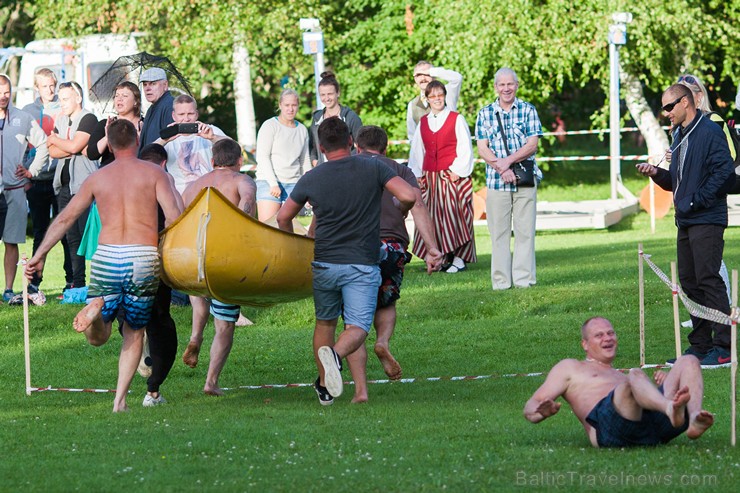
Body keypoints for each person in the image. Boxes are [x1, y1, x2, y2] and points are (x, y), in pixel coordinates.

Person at [24, 119, 182, 412]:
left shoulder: (98, 178)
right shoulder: (153, 173)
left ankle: (97, 315)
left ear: (108, 143)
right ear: (136, 140)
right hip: (142, 257)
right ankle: (119, 401)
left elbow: (66, 218)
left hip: (107, 256)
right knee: (135, 331)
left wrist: (40, 254)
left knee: (99, 338)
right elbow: (174, 217)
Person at [276, 117, 416, 405]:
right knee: (357, 328)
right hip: (361, 264)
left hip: (324, 263)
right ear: (350, 141)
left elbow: (282, 217)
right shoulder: (372, 166)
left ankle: (326, 388)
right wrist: (401, 208)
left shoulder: (312, 177)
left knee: (324, 325)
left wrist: (291, 246)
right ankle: (335, 358)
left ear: (321, 147)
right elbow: (408, 195)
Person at [636, 84, 735, 367]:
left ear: (686, 103)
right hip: (687, 220)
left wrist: (695, 201)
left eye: (669, 107)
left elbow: (725, 174)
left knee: (708, 278)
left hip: (707, 218)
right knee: (689, 281)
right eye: (663, 108)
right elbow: (677, 183)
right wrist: (656, 173)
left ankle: (725, 347)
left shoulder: (710, 131)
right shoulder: (678, 135)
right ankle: (701, 345)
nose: (665, 113)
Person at [347, 125, 443, 403]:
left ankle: (360, 389)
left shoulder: (350, 167)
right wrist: (433, 250)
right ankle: (382, 342)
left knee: (354, 317)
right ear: (386, 148)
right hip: (392, 244)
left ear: (357, 147)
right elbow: (418, 205)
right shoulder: (400, 170)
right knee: (387, 301)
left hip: (356, 245)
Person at [524, 317, 714, 447]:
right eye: (599, 335)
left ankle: (695, 417)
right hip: (609, 431)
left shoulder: (620, 376)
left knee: (689, 361)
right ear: (585, 344)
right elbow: (532, 405)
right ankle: (671, 408)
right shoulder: (570, 367)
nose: (607, 338)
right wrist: (540, 413)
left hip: (649, 427)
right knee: (635, 375)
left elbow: (639, 399)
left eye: (611, 333)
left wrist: (664, 385)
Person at [181, 138, 257, 396]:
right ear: (239, 161)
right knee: (225, 323)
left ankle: (195, 336)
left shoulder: (193, 186)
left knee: (199, 295)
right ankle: (211, 382)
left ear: (212, 161)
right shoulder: (241, 180)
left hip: (192, 260)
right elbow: (246, 205)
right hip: (224, 258)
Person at [476, 67, 543, 290]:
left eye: (510, 84)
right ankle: (501, 282)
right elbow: (482, 149)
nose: (506, 88)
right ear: (496, 87)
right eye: (502, 84)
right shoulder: (485, 113)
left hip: (525, 179)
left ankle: (524, 281)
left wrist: (508, 161)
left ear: (516, 85)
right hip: (496, 182)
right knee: (499, 234)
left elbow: (532, 145)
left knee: (525, 232)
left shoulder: (528, 110)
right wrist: (502, 167)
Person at [408, 80, 475, 273]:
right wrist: (418, 174)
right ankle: (441, 258)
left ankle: (459, 259)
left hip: (452, 175)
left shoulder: (456, 118)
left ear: (445, 96)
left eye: (440, 95)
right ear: (427, 99)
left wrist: (458, 170)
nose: (437, 99)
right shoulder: (424, 122)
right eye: (433, 96)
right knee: (434, 218)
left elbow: (465, 147)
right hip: (430, 177)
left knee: (456, 216)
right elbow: (418, 151)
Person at [18, 68, 71, 300]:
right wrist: (25, 176)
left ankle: (72, 281)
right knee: (40, 232)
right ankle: (34, 283)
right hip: (36, 180)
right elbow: (20, 145)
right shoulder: (28, 111)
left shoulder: (64, 106)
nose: (49, 90)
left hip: (59, 179)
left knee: (67, 232)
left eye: (52, 85)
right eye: (44, 86)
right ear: (36, 87)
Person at [138, 143, 184, 407]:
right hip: (151, 255)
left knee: (131, 320)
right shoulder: (164, 179)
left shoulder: (123, 179)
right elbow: (175, 217)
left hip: (118, 256)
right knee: (160, 324)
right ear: (164, 163)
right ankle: (153, 390)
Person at [45, 81, 99, 291]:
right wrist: (65, 143)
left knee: (89, 234)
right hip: (64, 187)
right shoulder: (61, 119)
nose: (62, 103)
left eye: (66, 98)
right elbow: (53, 151)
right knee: (71, 237)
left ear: (78, 98)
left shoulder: (88, 118)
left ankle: (97, 284)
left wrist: (59, 141)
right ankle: (78, 284)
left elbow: (75, 145)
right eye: (60, 99)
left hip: (84, 185)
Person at [1, 74, 49, 302]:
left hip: (15, 190)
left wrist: (31, 171)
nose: (3, 97)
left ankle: (8, 289)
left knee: (12, 241)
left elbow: (43, 145)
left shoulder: (23, 117)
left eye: (6, 92)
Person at [255, 88, 310, 221]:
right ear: (280, 105)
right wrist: (273, 183)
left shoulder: (302, 130)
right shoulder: (269, 125)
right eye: (287, 105)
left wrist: (308, 188)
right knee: (268, 227)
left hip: (293, 184)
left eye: (294, 105)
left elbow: (305, 161)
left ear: (298, 106)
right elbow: (262, 156)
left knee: (288, 230)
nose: (290, 109)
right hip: (269, 183)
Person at [155, 94, 227, 195]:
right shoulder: (168, 137)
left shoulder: (210, 130)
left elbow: (235, 148)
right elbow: (146, 156)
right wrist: (165, 140)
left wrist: (213, 137)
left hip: (209, 195)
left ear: (196, 114)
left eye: (190, 113)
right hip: (180, 199)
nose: (186, 118)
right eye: (181, 114)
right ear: (173, 116)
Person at [308, 72, 362, 166]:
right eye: (323, 95)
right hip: (323, 172)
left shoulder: (351, 117)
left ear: (338, 93)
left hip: (347, 169)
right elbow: (312, 146)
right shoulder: (317, 119)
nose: (327, 98)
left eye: (330, 94)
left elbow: (361, 147)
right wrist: (315, 162)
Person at [86, 81, 143, 166]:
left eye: (125, 96)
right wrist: (107, 136)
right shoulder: (105, 124)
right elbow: (92, 154)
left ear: (136, 101)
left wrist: (141, 138)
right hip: (110, 174)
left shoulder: (144, 123)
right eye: (117, 96)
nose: (119, 99)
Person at [406, 61, 463, 140]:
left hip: (450, 149)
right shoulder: (412, 105)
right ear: (415, 79)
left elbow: (457, 78)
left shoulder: (447, 93)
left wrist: (432, 71)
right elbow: (412, 137)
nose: (423, 78)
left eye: (427, 74)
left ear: (434, 76)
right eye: (419, 75)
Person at [138, 67, 174, 150]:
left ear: (165, 85)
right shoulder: (152, 108)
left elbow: (172, 142)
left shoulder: (170, 106)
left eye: (153, 84)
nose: (147, 88)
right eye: (145, 84)